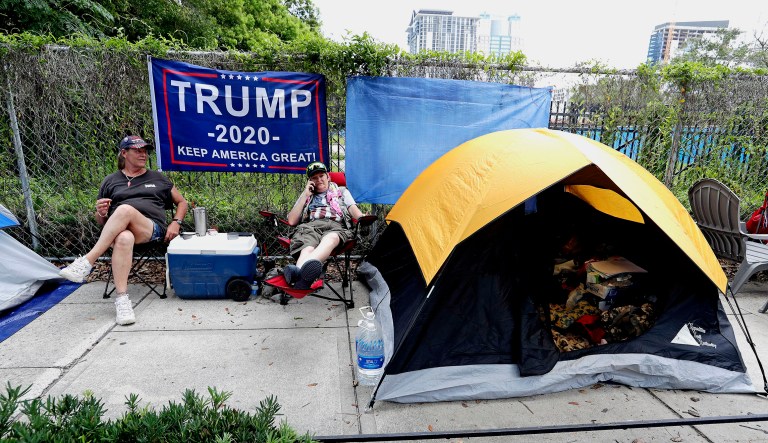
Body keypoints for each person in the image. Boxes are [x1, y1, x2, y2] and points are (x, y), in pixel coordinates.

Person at [59, 135, 188, 325]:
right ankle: (122, 300)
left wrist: (176, 222)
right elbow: (102, 222)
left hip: (151, 230)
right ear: (124, 153)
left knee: (125, 209)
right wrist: (101, 212)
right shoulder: (110, 181)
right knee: (124, 238)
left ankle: (88, 261)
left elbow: (182, 202)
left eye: (145, 150)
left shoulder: (158, 178)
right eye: (137, 150)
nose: (143, 154)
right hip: (121, 232)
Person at [283, 162, 364, 289]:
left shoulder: (342, 191)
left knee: (331, 238)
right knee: (307, 248)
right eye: (314, 178)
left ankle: (298, 274)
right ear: (310, 181)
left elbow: (353, 210)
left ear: (328, 177)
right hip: (310, 227)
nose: (319, 180)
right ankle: (304, 276)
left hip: (336, 226)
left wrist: (362, 218)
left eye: (321, 176)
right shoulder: (307, 195)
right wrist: (305, 195)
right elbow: (292, 221)